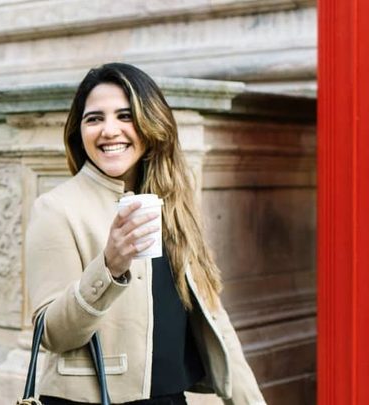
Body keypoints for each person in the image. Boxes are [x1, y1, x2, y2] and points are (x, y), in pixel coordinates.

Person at [25, 63, 266, 405]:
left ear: (151, 123)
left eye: (125, 116)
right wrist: (109, 268)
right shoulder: (56, 208)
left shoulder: (175, 204)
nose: (109, 130)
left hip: (170, 398)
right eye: (94, 118)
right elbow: (51, 333)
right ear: (79, 132)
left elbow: (214, 317)